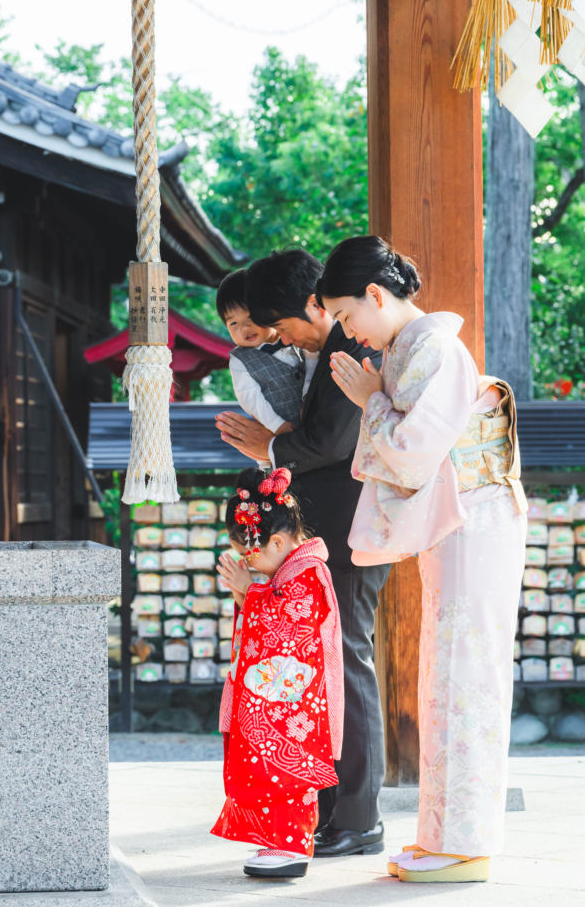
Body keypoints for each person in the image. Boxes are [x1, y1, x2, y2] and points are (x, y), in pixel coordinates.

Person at [317, 235, 527, 884]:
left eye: (348, 317)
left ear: (375, 296)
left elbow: (410, 451)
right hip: (457, 524)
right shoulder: (415, 349)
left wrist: (368, 401)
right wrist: (378, 395)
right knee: (444, 676)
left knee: (467, 676)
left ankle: (465, 844)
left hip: (475, 516)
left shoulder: (432, 348)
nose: (350, 334)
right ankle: (444, 838)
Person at [215, 249, 391, 858]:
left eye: (283, 325)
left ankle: (358, 816)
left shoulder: (351, 349)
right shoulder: (323, 351)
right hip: (329, 525)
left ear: (316, 305)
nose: (281, 339)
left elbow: (328, 440)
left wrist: (270, 444)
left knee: (347, 659)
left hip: (350, 525)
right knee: (322, 667)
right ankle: (329, 807)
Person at [211, 466, 344, 878]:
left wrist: (245, 589)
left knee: (286, 767)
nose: (250, 561)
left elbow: (288, 630)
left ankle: (289, 846)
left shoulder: (308, 574)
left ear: (280, 541)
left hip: (292, 701)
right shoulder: (289, 570)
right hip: (275, 697)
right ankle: (272, 840)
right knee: (265, 765)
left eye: (252, 553)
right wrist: (250, 588)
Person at [216, 268, 305, 435]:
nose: (244, 327)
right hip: (280, 429)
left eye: (250, 317)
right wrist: (276, 425)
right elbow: (250, 398)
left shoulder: (295, 336)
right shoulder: (240, 360)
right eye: (233, 323)